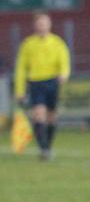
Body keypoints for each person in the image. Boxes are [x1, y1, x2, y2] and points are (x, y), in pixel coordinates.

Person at [14, 12, 71, 160]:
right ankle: (44, 149)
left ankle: (48, 145)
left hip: (52, 82)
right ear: (35, 25)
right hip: (36, 83)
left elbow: (64, 62)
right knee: (39, 114)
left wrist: (64, 74)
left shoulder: (57, 43)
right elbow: (21, 68)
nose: (42, 26)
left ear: (49, 24)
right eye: (39, 23)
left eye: (44, 23)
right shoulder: (28, 44)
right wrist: (19, 90)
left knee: (51, 117)